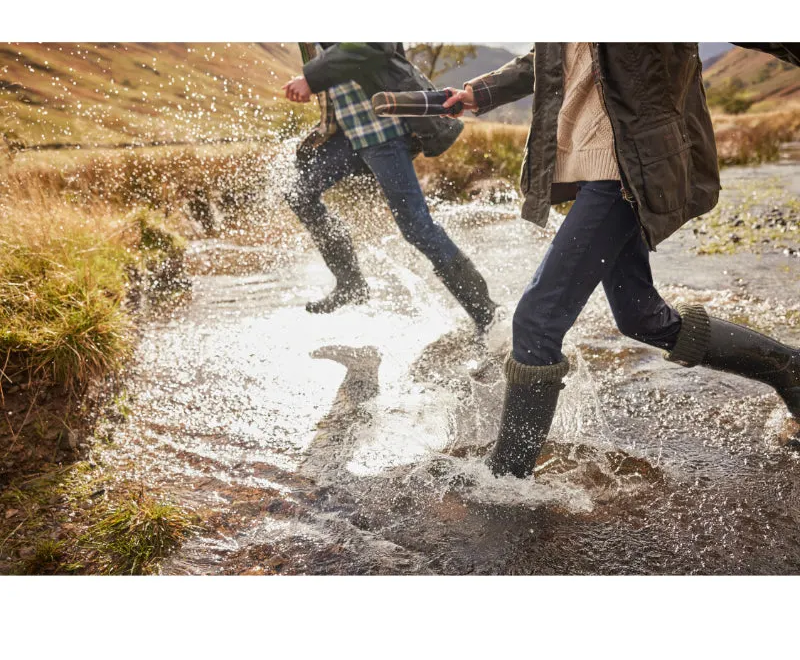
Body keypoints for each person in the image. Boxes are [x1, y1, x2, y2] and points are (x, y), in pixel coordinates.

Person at [442, 42, 800, 478]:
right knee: (641, 318)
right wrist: (484, 91)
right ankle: (789, 368)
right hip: (591, 166)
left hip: (626, 166)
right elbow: (552, 55)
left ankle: (505, 479)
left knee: (536, 322)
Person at [282, 43, 497, 330]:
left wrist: (311, 78)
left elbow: (375, 45)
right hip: (347, 134)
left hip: (383, 132)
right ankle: (350, 283)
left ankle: (487, 313)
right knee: (300, 193)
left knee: (416, 228)